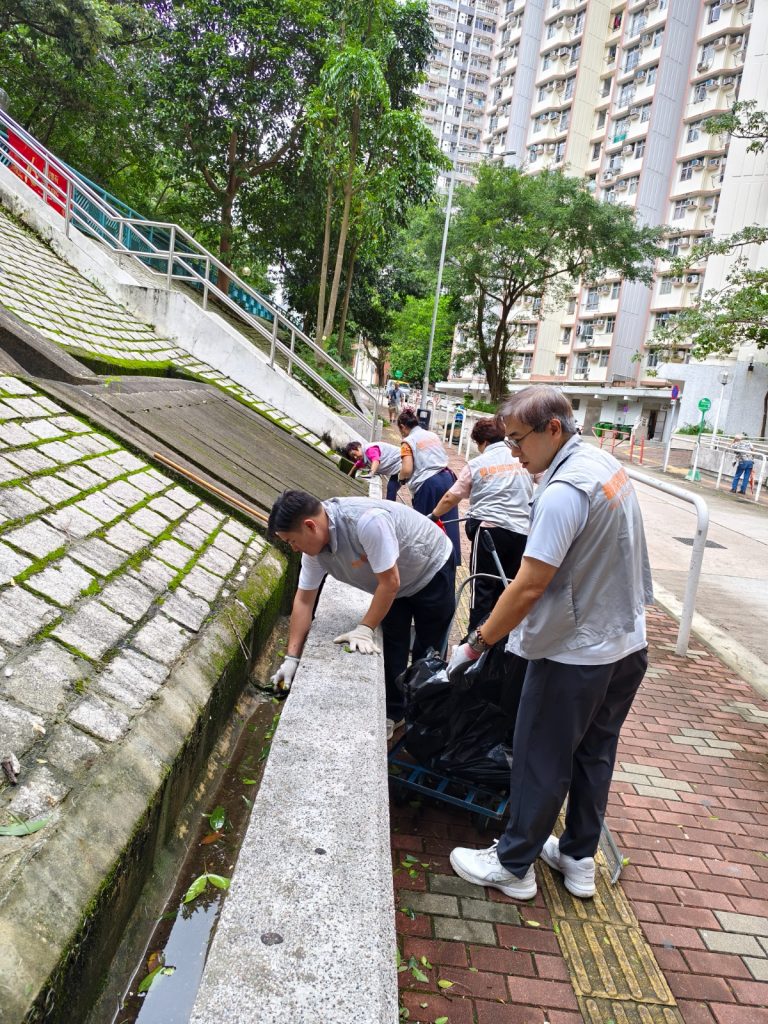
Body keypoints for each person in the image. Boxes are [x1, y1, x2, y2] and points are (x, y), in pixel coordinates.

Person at [447, 386, 652, 901]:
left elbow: (529, 586)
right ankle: (579, 858)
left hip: (575, 653)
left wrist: (476, 644)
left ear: (553, 429)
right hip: (628, 640)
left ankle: (512, 864)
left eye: (519, 440)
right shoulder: (603, 465)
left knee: (541, 754)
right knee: (595, 751)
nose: (514, 452)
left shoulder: (563, 492)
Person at [267, 490, 455, 739]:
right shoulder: (314, 553)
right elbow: (303, 601)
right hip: (392, 582)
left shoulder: (367, 522)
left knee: (429, 650)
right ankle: (394, 713)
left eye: (292, 541)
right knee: (393, 644)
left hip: (429, 567)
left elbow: (390, 582)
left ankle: (426, 724)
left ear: (310, 526)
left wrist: (364, 628)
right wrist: (292, 658)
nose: (293, 548)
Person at [429, 416, 533, 630]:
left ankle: (474, 638)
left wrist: (434, 516)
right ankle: (500, 639)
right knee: (508, 586)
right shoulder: (522, 458)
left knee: (481, 587)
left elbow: (451, 497)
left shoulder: (477, 464)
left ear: (483, 442)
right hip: (521, 532)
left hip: (489, 532)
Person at [396, 408, 461, 565]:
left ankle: (423, 564)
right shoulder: (432, 435)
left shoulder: (407, 442)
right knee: (447, 522)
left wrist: (400, 478)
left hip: (428, 485)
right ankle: (450, 561)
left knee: (424, 526)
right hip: (448, 479)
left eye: (400, 430)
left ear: (403, 426)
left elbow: (407, 469)